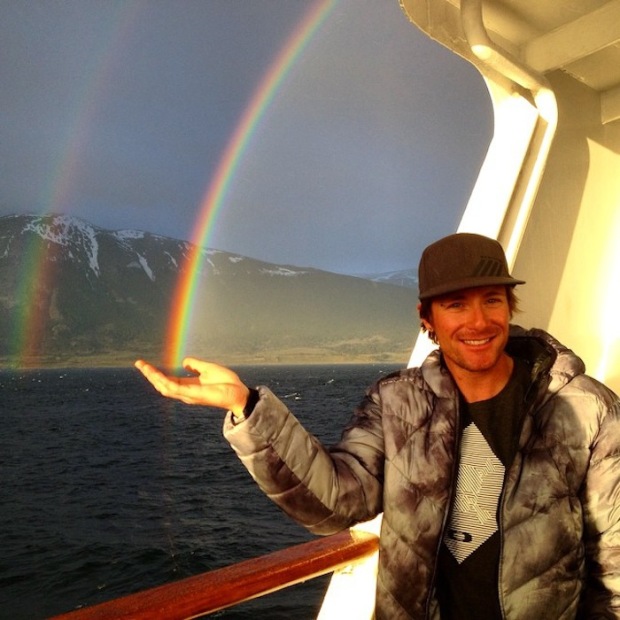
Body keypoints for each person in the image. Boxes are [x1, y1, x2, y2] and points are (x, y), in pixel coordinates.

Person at [135, 232, 620, 619]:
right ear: (426, 318)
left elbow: (613, 556)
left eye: (492, 300)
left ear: (509, 307)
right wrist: (249, 407)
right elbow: (338, 502)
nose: (478, 321)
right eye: (456, 305)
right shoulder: (397, 401)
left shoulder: (584, 408)